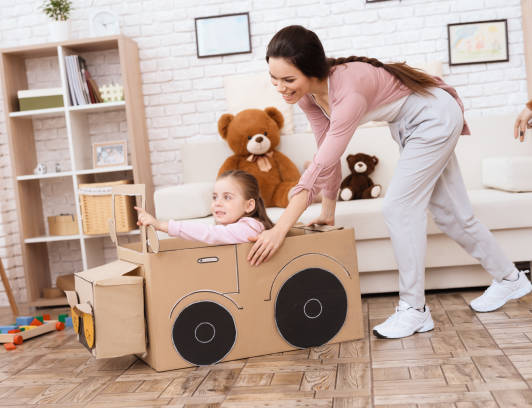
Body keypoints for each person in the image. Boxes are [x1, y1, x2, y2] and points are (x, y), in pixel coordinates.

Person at [247, 25, 531, 339]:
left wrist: (280, 227)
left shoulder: (348, 94)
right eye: (274, 79)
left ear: (313, 70)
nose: (281, 88)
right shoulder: (309, 98)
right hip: (415, 123)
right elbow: (325, 156)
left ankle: (414, 310)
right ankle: (510, 279)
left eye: (289, 80)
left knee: (398, 208)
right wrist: (328, 211)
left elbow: (319, 165)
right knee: (452, 215)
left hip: (433, 118)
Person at [136, 170, 272, 244]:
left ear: (249, 205)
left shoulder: (249, 227)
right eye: (214, 197)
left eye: (227, 197)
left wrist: (160, 225)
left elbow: (211, 234)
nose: (217, 203)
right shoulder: (233, 227)